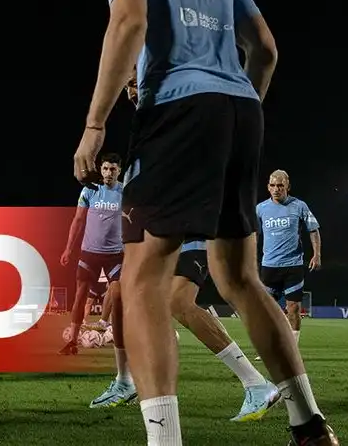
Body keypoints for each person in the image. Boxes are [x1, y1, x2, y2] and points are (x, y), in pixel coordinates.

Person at [72, 0, 337, 445]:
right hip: (240, 111)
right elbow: (265, 50)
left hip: (179, 109)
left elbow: (129, 21)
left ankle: (164, 440)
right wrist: (236, 114)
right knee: (238, 276)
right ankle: (310, 425)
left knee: (142, 280)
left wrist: (95, 125)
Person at [89, 79, 282, 421]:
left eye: (136, 80)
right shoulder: (147, 129)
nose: (131, 89)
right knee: (123, 297)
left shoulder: (175, 117)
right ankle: (126, 381)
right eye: (128, 84)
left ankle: (256, 384)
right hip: (160, 234)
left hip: (189, 232)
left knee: (178, 302)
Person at [59, 153, 125, 356]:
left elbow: (135, 219)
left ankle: (116, 338)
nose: (108, 173)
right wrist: (68, 249)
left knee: (117, 294)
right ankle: (72, 342)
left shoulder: (125, 192)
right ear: (100, 169)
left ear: (119, 171)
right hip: (89, 253)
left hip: (115, 254)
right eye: (105, 168)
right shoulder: (90, 190)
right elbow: (78, 220)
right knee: (80, 296)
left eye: (112, 169)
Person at [257, 170, 321, 349]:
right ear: (268, 187)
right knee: (268, 311)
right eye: (272, 185)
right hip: (269, 266)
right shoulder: (260, 209)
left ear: (288, 187)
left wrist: (317, 254)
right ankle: (271, 348)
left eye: (280, 185)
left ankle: (292, 350)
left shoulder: (299, 206)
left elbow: (313, 230)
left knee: (293, 308)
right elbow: (254, 235)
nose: (276, 189)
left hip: (293, 266)